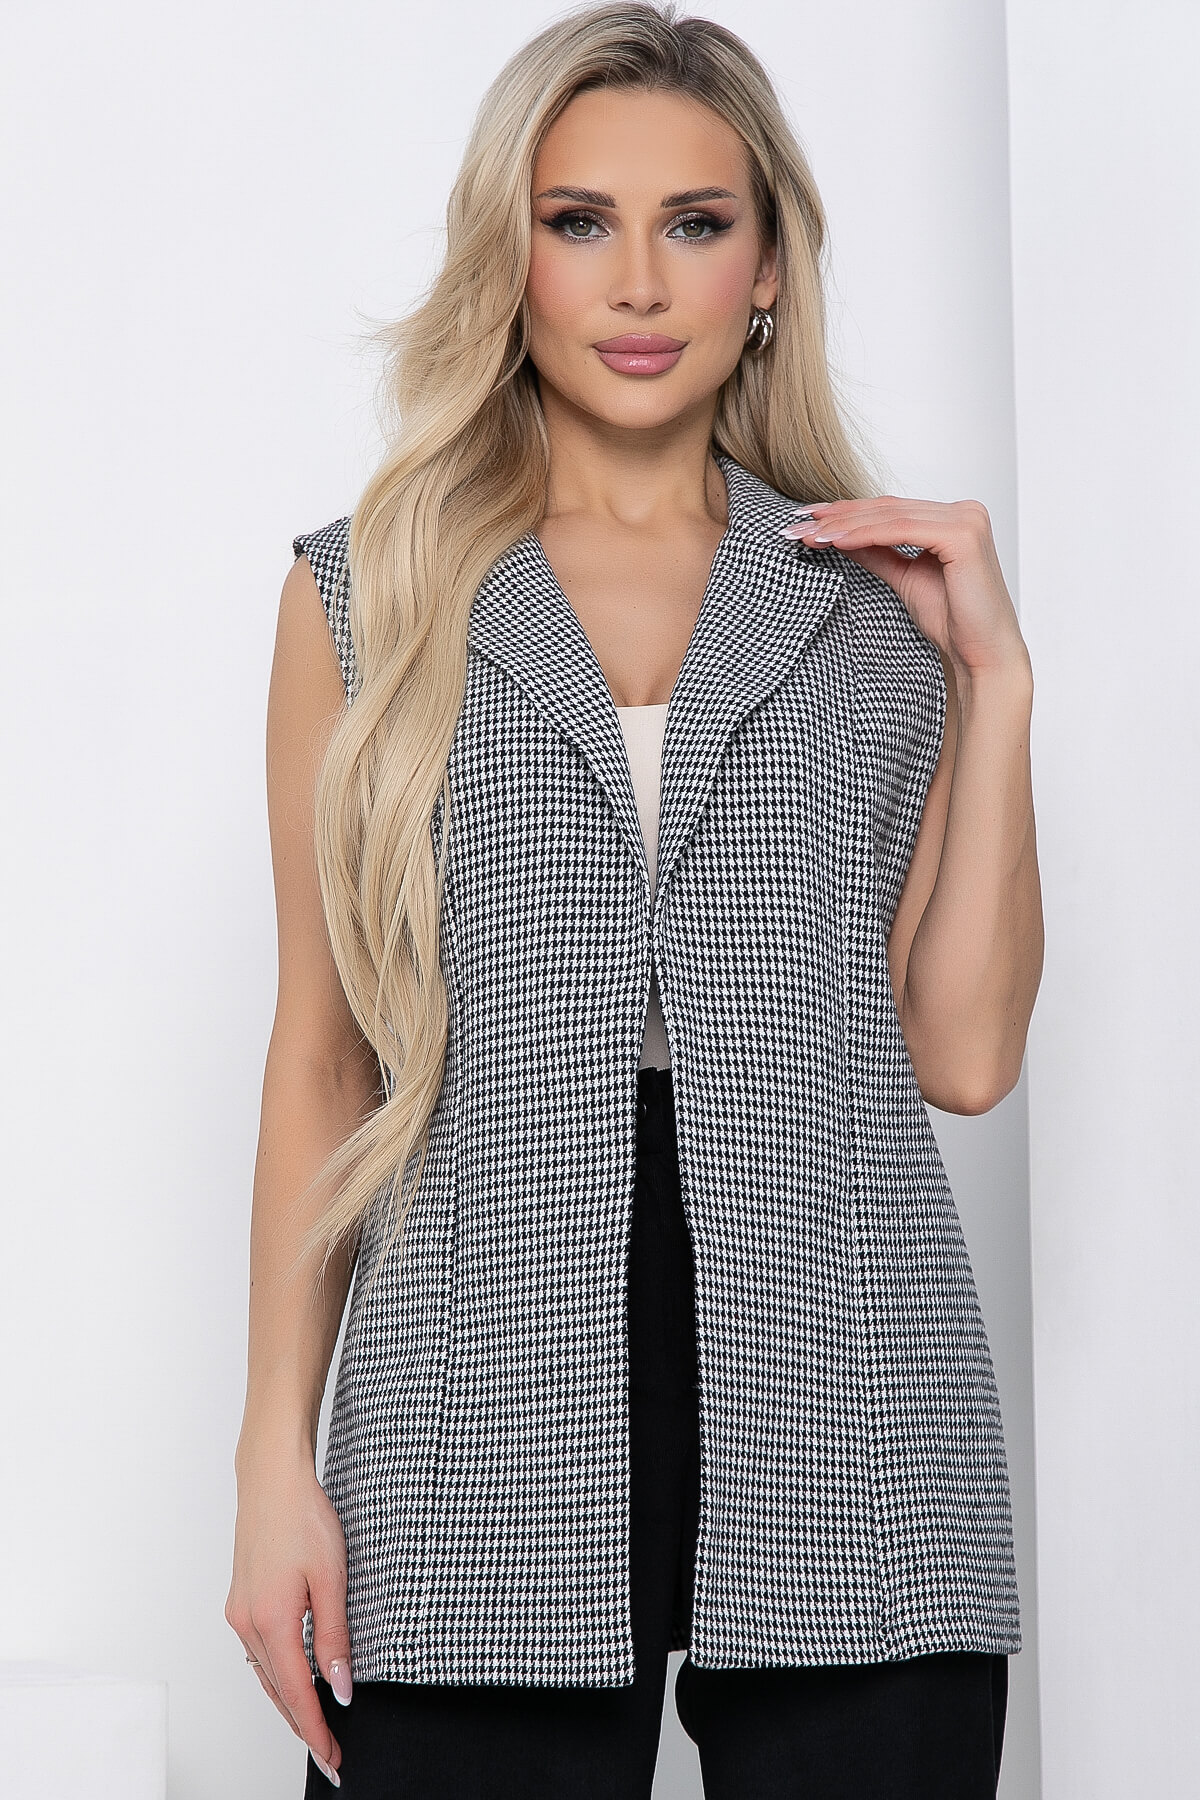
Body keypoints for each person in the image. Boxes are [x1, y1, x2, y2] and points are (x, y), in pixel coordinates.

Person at [225, 4, 1043, 1795]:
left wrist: (996, 683)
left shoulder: (873, 603)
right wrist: (271, 1462)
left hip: (854, 1399)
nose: (641, 281)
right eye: (581, 220)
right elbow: (324, 1056)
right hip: (470, 1402)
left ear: (769, 267)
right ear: (507, 255)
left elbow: (967, 1056)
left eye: (697, 222)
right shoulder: (367, 597)